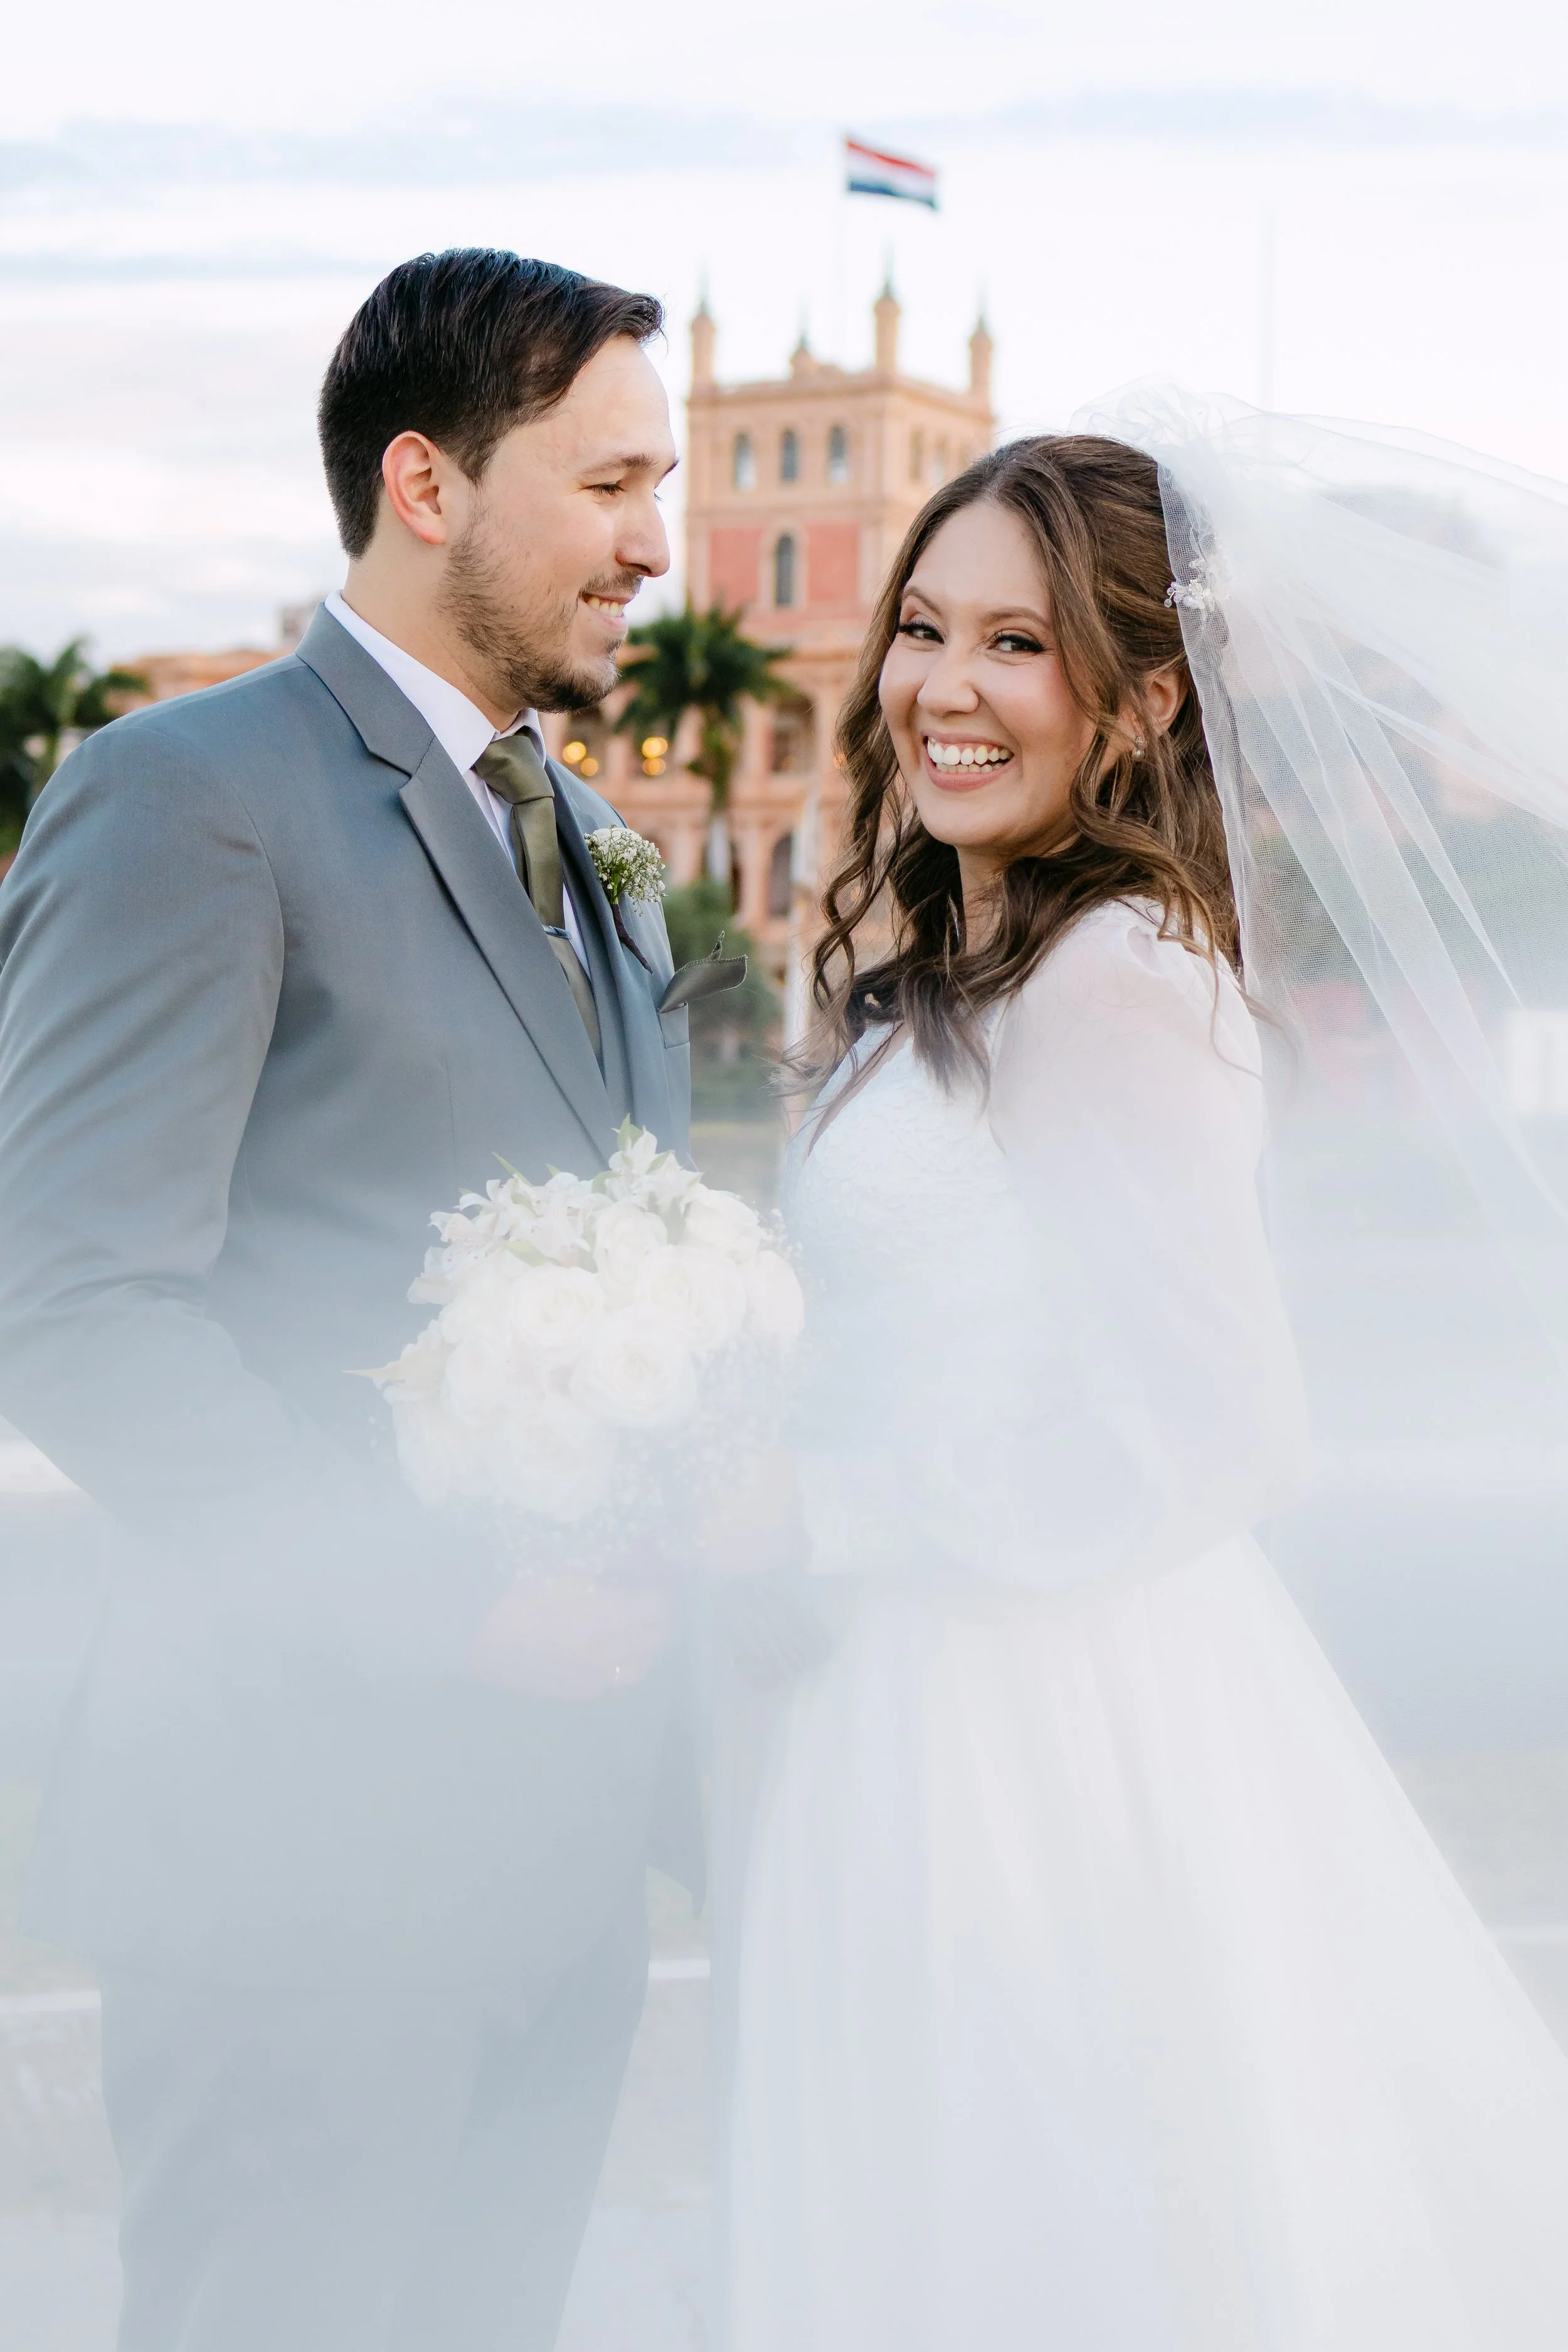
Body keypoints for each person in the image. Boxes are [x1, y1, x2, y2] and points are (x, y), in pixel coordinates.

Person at [719, 425, 1568, 2348]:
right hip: (899, 1693)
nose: (943, 685)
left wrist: (822, 1510)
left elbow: (1217, 1429)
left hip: (1036, 1730)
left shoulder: (1118, 976)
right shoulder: (995, 953)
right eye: (924, 627)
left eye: (1016, 645)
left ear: (1138, 702)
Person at [0, 248, 710, 2352]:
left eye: (659, 482)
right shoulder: (186, 793)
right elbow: (77, 1297)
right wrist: (452, 1598)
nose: (653, 542)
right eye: (605, 484)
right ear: (425, 479)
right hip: (297, 1862)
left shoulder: (590, 834)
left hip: (559, 1867)